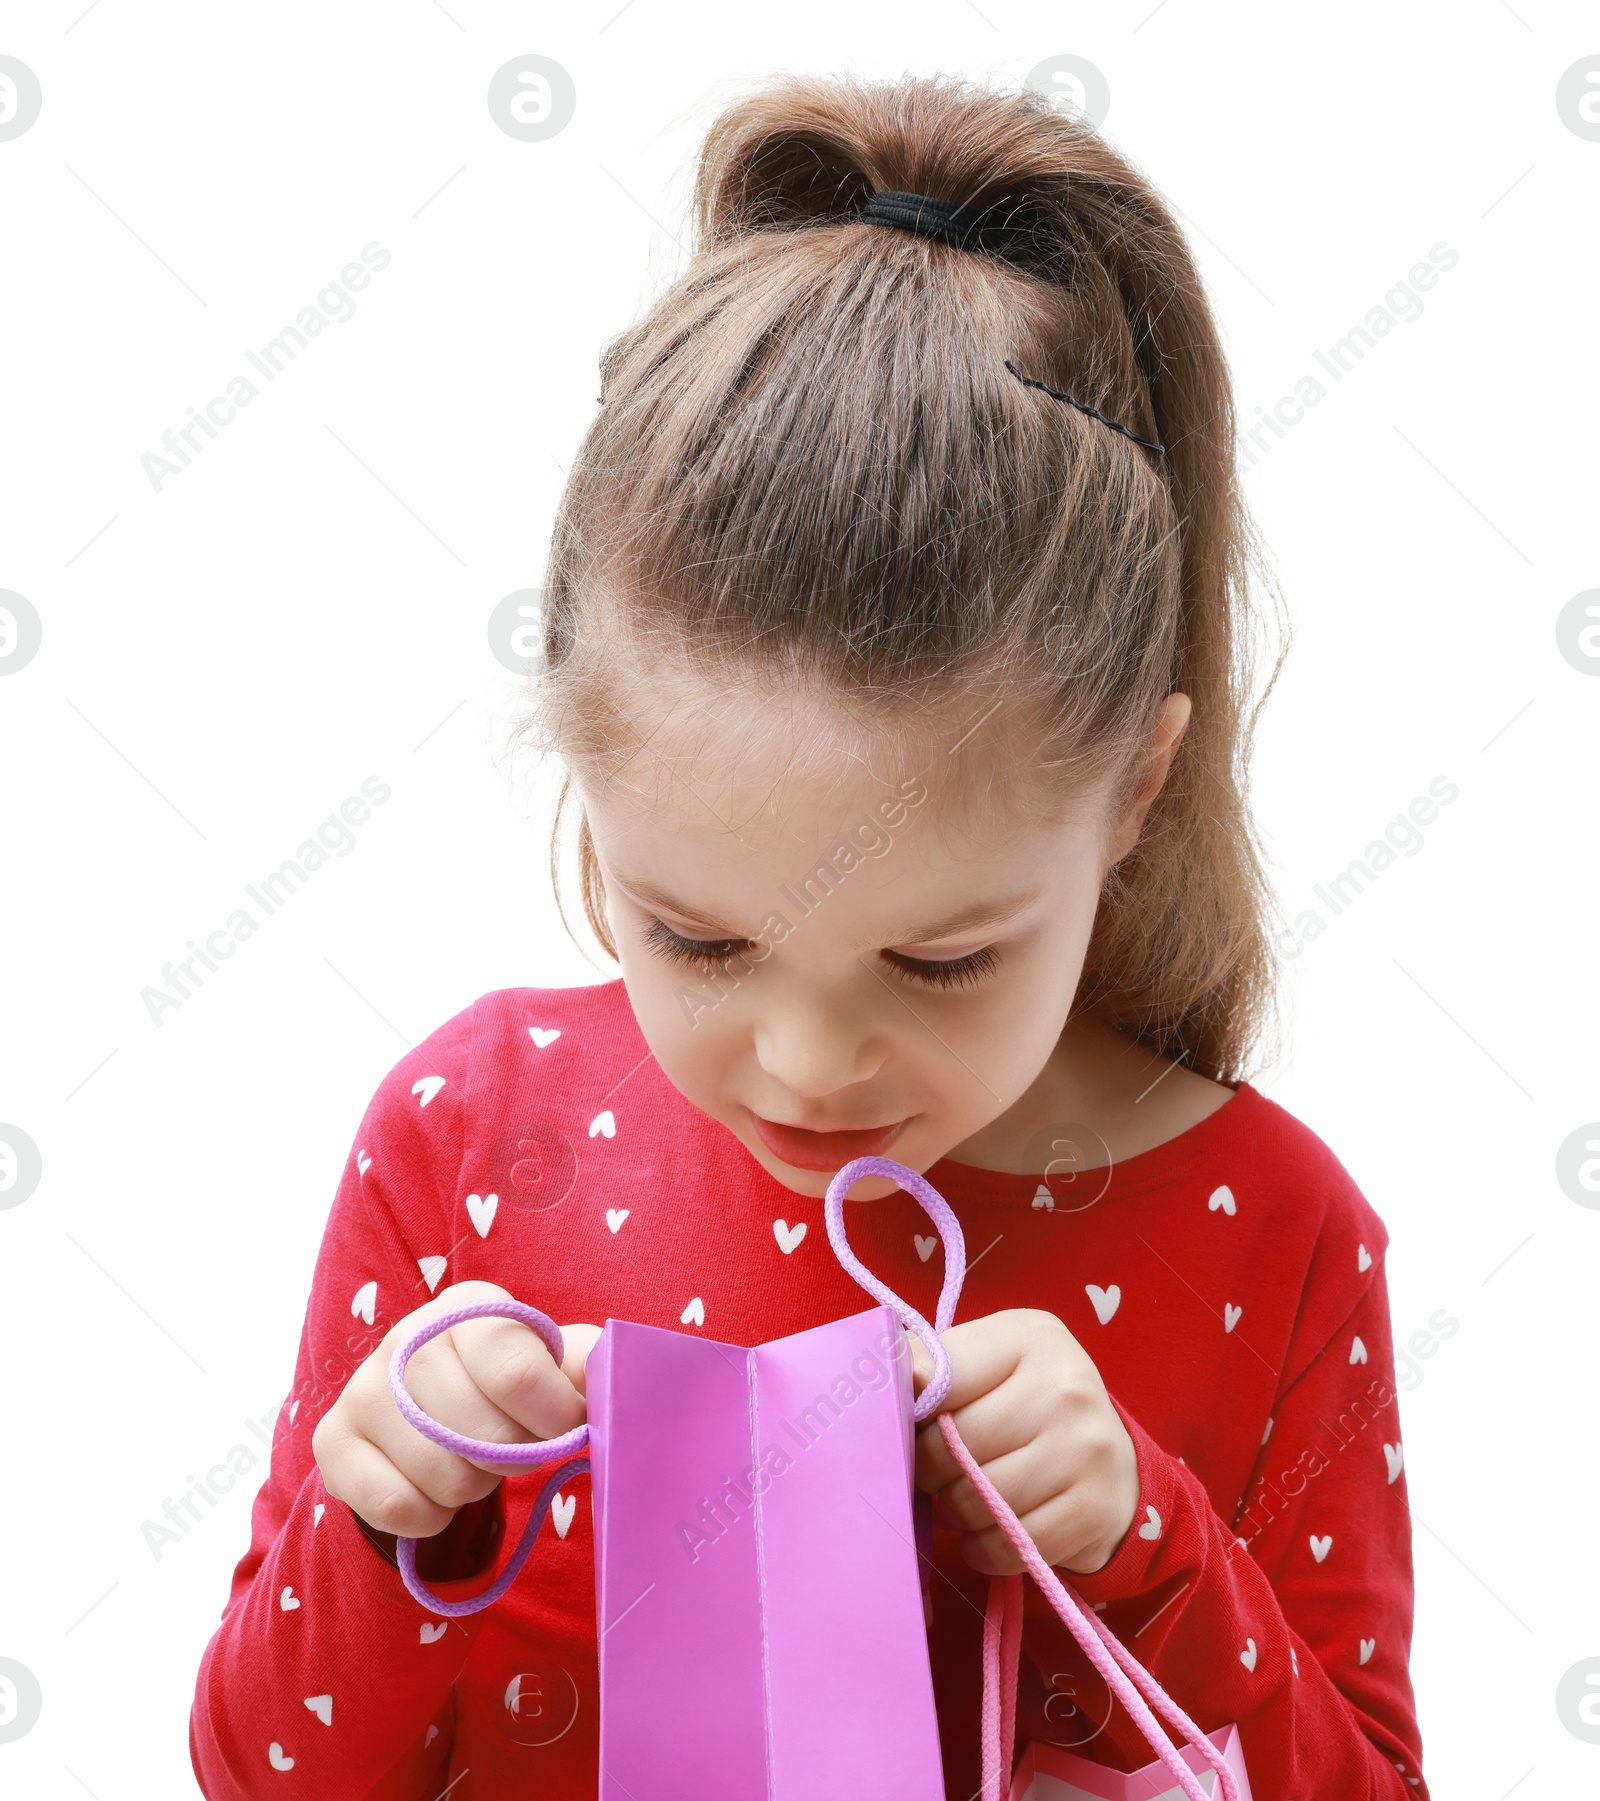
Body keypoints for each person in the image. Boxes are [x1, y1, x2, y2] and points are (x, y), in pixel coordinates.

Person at [190, 73, 1426, 1799]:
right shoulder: (473, 1144)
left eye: (939, 962)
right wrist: (384, 1506)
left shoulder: (1273, 1238)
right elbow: (260, 1771)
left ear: (1135, 788)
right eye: (694, 938)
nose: (810, 1061)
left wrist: (1155, 1545)